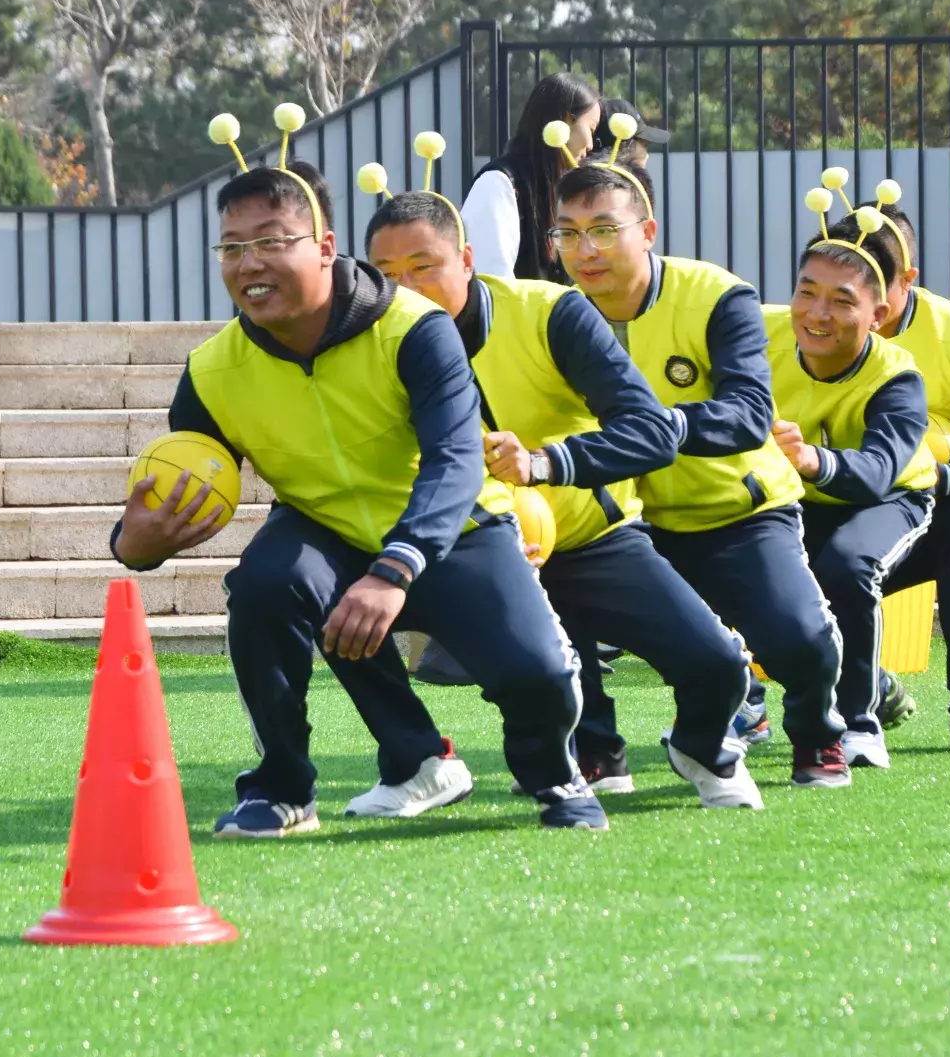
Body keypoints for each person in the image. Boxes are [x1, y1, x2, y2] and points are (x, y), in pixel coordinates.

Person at [110, 106, 607, 836]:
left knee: (537, 674)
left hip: (453, 529)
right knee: (264, 585)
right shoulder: (213, 369)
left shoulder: (416, 328)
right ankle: (281, 789)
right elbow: (178, 476)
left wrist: (396, 567)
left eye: (273, 241)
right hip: (326, 529)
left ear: (326, 247)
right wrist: (136, 543)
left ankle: (551, 772)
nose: (250, 263)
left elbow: (456, 457)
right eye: (233, 247)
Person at [361, 178, 764, 810]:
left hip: (589, 536)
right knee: (312, 594)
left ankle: (699, 744)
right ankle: (418, 760)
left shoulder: (552, 312)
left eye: (424, 267)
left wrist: (548, 462)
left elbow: (652, 432)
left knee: (718, 666)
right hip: (471, 549)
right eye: (386, 273)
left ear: (466, 260)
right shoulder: (367, 341)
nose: (406, 288)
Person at [550, 145, 849, 790]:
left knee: (799, 639)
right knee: (549, 576)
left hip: (738, 513)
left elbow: (748, 413)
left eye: (604, 229)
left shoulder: (717, 295)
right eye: (568, 233)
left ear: (647, 231)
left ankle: (818, 734)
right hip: (624, 528)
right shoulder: (548, 312)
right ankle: (595, 748)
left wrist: (665, 427)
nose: (585, 250)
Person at [827, 177, 950, 753]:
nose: (854, 304)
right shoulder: (815, 332)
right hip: (881, 496)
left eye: (874, 288)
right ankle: (869, 689)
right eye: (844, 288)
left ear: (907, 280)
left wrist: (947, 477)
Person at [762, 192, 937, 768]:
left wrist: (813, 460)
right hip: (794, 499)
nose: (816, 313)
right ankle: (739, 705)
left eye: (841, 301)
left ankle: (858, 722)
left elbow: (878, 472)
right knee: (725, 551)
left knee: (846, 565)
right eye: (806, 292)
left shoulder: (899, 378)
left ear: (878, 315)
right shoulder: (760, 339)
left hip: (890, 500)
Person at [461, 72, 601, 282]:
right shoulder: (499, 183)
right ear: (565, 121)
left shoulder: (560, 187)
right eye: (591, 128)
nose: (590, 145)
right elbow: (493, 284)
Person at [590, 97, 669, 170]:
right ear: (622, 149)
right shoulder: (613, 184)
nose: (647, 155)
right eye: (644, 145)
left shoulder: (584, 176)